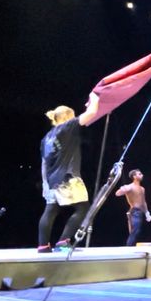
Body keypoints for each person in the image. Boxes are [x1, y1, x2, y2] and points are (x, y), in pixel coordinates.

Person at [38, 92, 100, 253]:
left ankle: (43, 246)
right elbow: (91, 113)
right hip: (68, 177)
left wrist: (45, 183)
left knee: (51, 210)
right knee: (83, 209)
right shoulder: (67, 127)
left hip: (51, 180)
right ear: (68, 116)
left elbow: (44, 163)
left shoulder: (46, 137)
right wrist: (94, 98)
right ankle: (63, 242)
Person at [116, 169, 151, 246]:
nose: (142, 175)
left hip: (140, 212)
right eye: (139, 174)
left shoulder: (142, 189)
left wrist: (147, 212)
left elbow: (143, 202)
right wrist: (123, 189)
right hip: (134, 212)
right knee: (135, 231)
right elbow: (117, 193)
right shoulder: (130, 187)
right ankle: (129, 248)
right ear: (134, 176)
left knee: (137, 231)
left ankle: (131, 247)